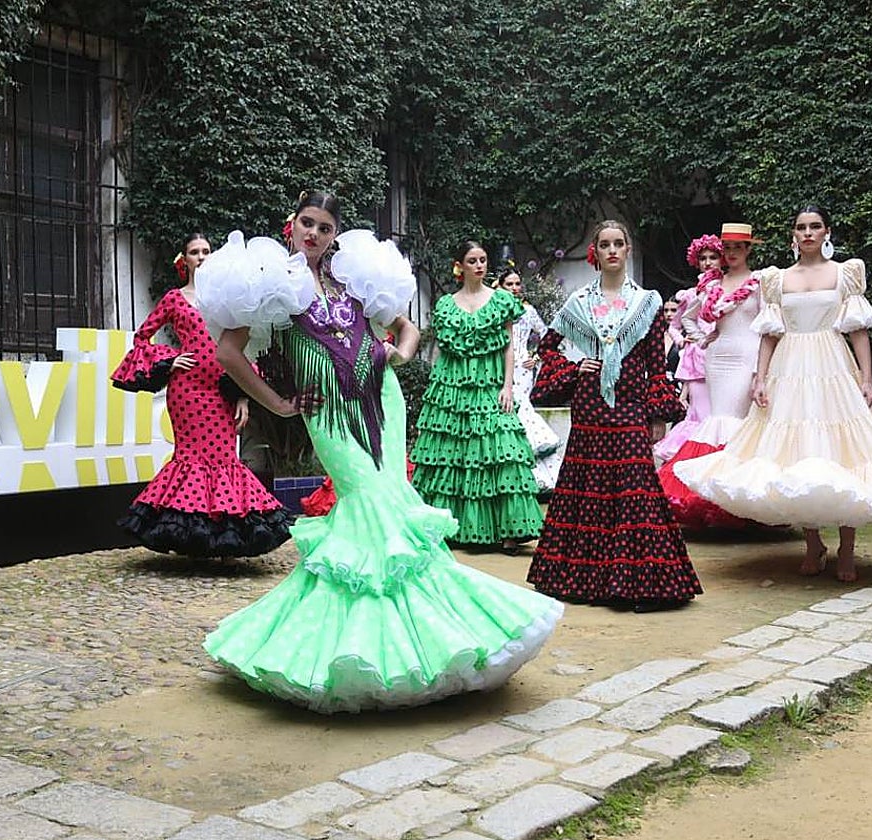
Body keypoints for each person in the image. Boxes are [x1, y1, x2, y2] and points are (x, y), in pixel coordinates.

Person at [197, 191, 562, 712]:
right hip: (326, 411)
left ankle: (429, 642)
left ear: (334, 234)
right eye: (307, 223)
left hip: (383, 401)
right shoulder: (268, 280)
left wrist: (399, 353)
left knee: (393, 509)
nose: (315, 235)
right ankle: (359, 651)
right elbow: (228, 353)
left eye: (325, 228)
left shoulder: (354, 277)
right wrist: (277, 404)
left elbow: (408, 328)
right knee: (367, 503)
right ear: (291, 224)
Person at [676, 205, 872, 581]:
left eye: (815, 226)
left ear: (826, 232)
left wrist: (866, 379)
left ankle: (847, 548)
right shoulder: (777, 280)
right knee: (797, 454)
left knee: (844, 450)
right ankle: (813, 543)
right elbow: (770, 333)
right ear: (793, 235)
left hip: (833, 365)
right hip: (789, 368)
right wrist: (761, 377)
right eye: (801, 227)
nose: (808, 233)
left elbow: (858, 331)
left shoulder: (845, 273)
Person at [528, 219, 702, 611]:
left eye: (618, 244)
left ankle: (640, 583)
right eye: (604, 244)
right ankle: (587, 582)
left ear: (627, 250)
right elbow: (547, 347)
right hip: (590, 405)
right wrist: (575, 370)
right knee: (588, 487)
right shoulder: (578, 302)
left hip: (631, 402)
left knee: (634, 488)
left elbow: (657, 364)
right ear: (596, 252)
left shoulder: (649, 302)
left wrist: (658, 413)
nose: (611, 250)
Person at [110, 233, 293, 557]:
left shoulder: (225, 299)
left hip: (222, 390)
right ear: (185, 260)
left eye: (206, 251)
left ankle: (224, 535)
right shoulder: (174, 299)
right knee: (191, 459)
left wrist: (242, 396)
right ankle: (189, 535)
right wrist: (169, 360)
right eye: (195, 252)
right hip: (187, 392)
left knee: (224, 459)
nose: (201, 256)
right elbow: (141, 338)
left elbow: (243, 347)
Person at [410, 243, 543, 550]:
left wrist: (508, 385)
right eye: (473, 261)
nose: (480, 265)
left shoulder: (501, 301)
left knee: (501, 448)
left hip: (491, 382)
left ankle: (509, 530)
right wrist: (442, 392)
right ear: (461, 266)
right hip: (453, 384)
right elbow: (442, 351)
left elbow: (510, 345)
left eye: (483, 260)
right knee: (452, 455)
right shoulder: (445, 304)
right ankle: (449, 528)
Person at [659, 224, 770, 528]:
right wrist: (704, 338)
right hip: (718, 358)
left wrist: (762, 368)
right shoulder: (712, 286)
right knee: (717, 421)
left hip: (749, 356)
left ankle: (741, 502)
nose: (732, 253)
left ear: (748, 249)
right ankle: (711, 499)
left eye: (738, 247)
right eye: (728, 248)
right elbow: (688, 317)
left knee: (740, 426)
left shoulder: (760, 283)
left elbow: (769, 327)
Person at [653, 236, 720, 462]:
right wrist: (683, 340)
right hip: (697, 358)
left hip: (725, 357)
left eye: (713, 257)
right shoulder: (690, 294)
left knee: (721, 415)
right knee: (701, 414)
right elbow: (673, 324)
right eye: (703, 258)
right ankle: (695, 461)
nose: (708, 262)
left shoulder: (729, 287)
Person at [500, 269, 563, 494]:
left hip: (524, 367)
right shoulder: (496, 309)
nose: (515, 288)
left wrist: (535, 357)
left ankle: (539, 476)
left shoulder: (528, 310)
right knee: (508, 411)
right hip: (500, 367)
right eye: (510, 284)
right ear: (501, 286)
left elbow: (547, 334)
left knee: (521, 407)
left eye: (517, 283)